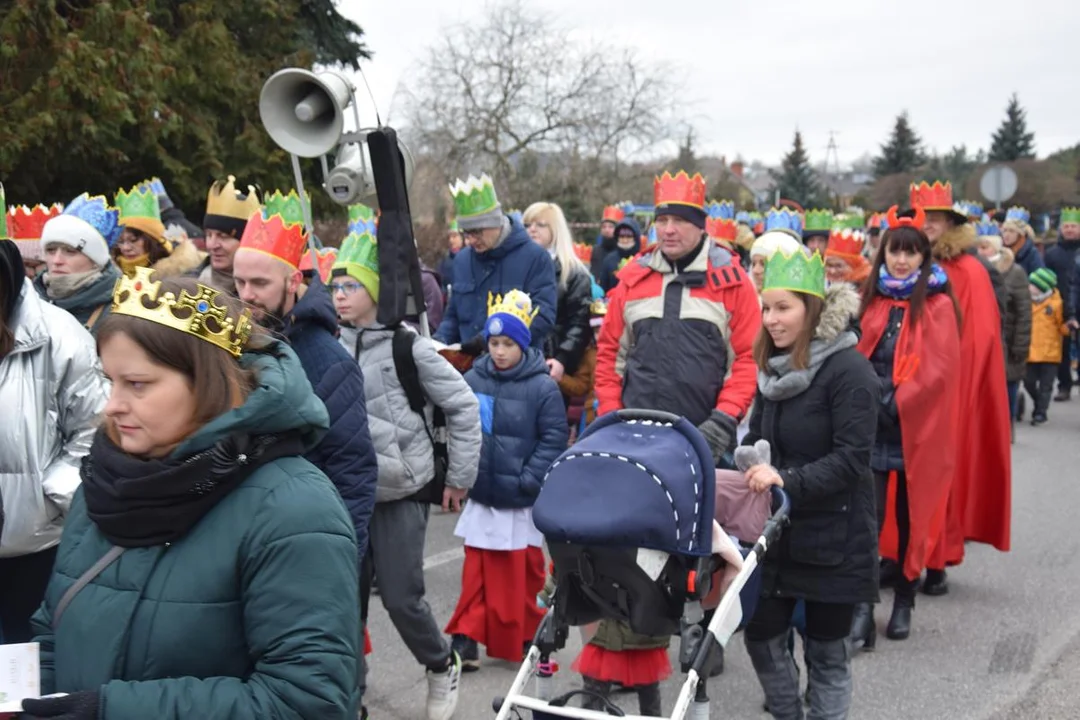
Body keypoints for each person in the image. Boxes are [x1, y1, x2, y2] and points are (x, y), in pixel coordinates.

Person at [23, 268, 360, 719]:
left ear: (205, 382)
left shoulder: (295, 510)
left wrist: (113, 711)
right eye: (111, 380)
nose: (112, 405)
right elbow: (53, 629)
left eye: (137, 384)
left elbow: (306, 703)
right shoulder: (104, 482)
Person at [331, 226, 480, 720]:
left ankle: (441, 663)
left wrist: (458, 477)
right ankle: (351, 697)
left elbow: (462, 406)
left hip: (401, 490)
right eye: (334, 286)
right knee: (343, 604)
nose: (339, 295)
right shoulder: (327, 345)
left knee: (401, 597)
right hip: (343, 496)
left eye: (349, 285)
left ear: (374, 291)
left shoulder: (407, 347)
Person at [741, 247, 878, 720]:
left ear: (812, 309)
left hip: (834, 536)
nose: (771, 319)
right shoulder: (774, 368)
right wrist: (746, 459)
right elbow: (759, 436)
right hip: (778, 531)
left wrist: (786, 478)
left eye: (783, 308)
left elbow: (853, 460)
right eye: (766, 307)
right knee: (760, 636)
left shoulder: (850, 371)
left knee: (827, 654)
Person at [231, 206, 378, 572]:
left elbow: (353, 471)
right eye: (239, 282)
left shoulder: (330, 362)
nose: (246, 295)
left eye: (260, 284)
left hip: (302, 540)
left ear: (293, 281)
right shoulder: (226, 344)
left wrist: (341, 563)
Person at [595, 171, 761, 468]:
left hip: (706, 441)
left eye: (680, 221)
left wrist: (722, 422)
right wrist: (611, 415)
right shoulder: (632, 280)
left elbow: (747, 360)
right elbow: (609, 356)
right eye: (662, 221)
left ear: (700, 225)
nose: (668, 230)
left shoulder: (732, 283)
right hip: (634, 439)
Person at [852, 208, 962, 648]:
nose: (901, 260)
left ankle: (904, 599)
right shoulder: (873, 299)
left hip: (915, 429)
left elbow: (939, 369)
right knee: (868, 517)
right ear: (884, 254)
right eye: (895, 251)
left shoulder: (937, 304)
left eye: (910, 253)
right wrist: (867, 397)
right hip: (871, 426)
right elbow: (856, 351)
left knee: (911, 515)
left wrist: (895, 400)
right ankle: (863, 606)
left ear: (923, 257)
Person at [445, 290, 568, 669]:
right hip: (483, 494)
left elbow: (553, 438)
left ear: (523, 343)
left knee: (522, 573)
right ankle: (465, 639)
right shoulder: (474, 378)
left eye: (508, 344)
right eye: (494, 343)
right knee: (476, 572)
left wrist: (529, 478)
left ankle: (527, 637)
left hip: (519, 497)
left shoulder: (542, 386)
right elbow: (463, 426)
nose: (499, 351)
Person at [0, 240, 107, 644]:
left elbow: (96, 428)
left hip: (36, 553)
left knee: (23, 669)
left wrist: (51, 497)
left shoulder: (60, 336)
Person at [909, 180, 1010, 594]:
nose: (929, 225)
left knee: (940, 475)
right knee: (901, 477)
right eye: (923, 218)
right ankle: (901, 554)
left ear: (950, 222)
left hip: (949, 389)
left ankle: (936, 559)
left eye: (936, 219)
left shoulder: (968, 271)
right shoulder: (905, 263)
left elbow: (979, 338)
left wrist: (949, 385)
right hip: (907, 388)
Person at [435, 174, 557, 359]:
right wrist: (439, 342)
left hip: (518, 373)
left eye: (476, 232)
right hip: (468, 371)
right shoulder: (462, 260)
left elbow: (543, 315)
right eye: (465, 233)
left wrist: (489, 339)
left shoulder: (535, 258)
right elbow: (453, 315)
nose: (470, 240)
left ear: (496, 223)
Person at [523, 202, 592, 394]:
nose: (532, 230)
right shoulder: (518, 267)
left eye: (540, 225)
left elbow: (578, 324)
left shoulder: (575, 274)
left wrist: (562, 359)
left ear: (555, 229)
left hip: (551, 364)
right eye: (527, 225)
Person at [35, 193, 122, 333]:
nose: (57, 261)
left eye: (70, 251)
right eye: (51, 250)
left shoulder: (121, 311)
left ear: (95, 261)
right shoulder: (29, 302)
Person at [977, 223, 1031, 423]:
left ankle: (1006, 424)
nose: (981, 252)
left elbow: (1024, 312)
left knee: (1007, 387)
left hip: (1008, 341)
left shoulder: (1015, 272)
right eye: (979, 247)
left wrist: (1020, 345)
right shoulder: (975, 270)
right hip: (985, 340)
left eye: (985, 247)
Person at [111, 184, 203, 278]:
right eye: (120, 241)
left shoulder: (184, 273)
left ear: (152, 239)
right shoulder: (114, 276)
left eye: (133, 240)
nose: (126, 248)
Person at [197, 175, 261, 292]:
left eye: (224, 236)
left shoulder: (259, 298)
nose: (212, 245)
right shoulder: (189, 284)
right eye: (209, 235)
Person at [1025, 268, 1068, 426]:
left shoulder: (1056, 304)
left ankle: (1041, 413)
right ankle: (1038, 403)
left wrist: (1068, 327)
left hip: (1050, 352)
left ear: (1042, 287)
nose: (1029, 286)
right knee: (1028, 382)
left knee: (1046, 386)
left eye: (1033, 284)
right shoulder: (1026, 301)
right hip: (1031, 350)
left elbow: (1062, 326)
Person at [1049, 207, 1080, 401]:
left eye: (1074, 226)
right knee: (1062, 350)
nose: (1069, 230)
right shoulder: (1052, 254)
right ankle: (1064, 386)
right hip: (1059, 306)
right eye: (1066, 226)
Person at [598, 216, 643, 294]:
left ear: (635, 238)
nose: (625, 240)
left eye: (629, 236)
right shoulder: (609, 260)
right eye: (621, 236)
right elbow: (603, 289)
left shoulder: (643, 260)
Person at [1002, 206, 1044, 275]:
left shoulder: (1032, 254)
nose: (1006, 235)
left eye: (1011, 231)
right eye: (1005, 230)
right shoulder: (1001, 252)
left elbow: (1039, 279)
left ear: (1021, 235)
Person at [591, 205, 626, 280]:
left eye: (611, 227)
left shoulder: (623, 251)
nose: (607, 230)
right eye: (604, 227)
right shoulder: (596, 250)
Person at [438, 219, 463, 297]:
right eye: (450, 237)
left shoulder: (472, 260)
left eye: (455, 236)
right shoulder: (444, 262)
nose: (451, 240)